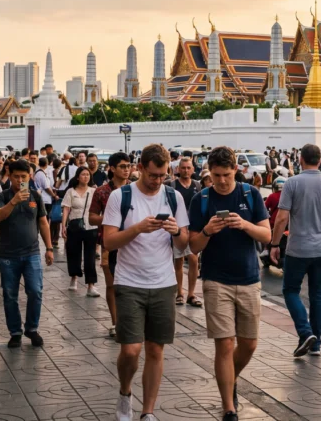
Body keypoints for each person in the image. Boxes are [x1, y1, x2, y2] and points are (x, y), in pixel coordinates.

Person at [102, 144, 189, 421]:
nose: (157, 181)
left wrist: (176, 232)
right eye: (153, 175)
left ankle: (148, 411)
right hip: (129, 282)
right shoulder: (121, 196)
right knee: (130, 350)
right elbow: (108, 241)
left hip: (163, 283)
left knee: (155, 348)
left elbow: (185, 243)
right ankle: (125, 391)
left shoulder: (173, 197)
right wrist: (138, 228)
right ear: (140, 169)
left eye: (163, 175)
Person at [187, 147, 271, 421]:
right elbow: (193, 245)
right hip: (216, 281)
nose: (221, 181)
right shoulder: (201, 200)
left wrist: (244, 225)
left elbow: (267, 235)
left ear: (236, 169)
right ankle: (229, 407)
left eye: (226, 174)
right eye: (215, 175)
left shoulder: (250, 194)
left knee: (249, 344)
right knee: (224, 345)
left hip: (249, 279)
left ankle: (228, 378)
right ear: (209, 173)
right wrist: (209, 230)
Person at [270, 144, 321, 357]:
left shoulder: (292, 183)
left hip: (298, 249)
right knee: (317, 294)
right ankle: (316, 344)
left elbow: (282, 218)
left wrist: (274, 245)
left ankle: (305, 333)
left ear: (300, 160)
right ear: (320, 161)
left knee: (291, 290)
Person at [0, 160, 54, 348]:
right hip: (8, 255)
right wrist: (13, 201)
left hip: (32, 253)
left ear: (30, 176)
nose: (20, 180)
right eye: (16, 176)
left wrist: (50, 248)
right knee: (10, 295)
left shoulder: (36, 196)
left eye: (24, 176)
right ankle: (15, 332)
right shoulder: (2, 196)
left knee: (35, 291)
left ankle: (32, 329)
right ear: (9, 176)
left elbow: (43, 222)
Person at [89, 151, 133, 338]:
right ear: (112, 168)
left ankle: (131, 321)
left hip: (132, 243)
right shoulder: (102, 191)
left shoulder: (135, 189)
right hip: (109, 243)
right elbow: (91, 218)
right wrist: (110, 220)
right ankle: (116, 322)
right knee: (112, 284)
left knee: (130, 285)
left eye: (128, 166)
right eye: (122, 166)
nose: (126, 170)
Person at [63, 166, 99, 296]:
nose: (86, 177)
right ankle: (74, 277)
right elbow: (66, 209)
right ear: (78, 177)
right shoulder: (71, 191)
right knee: (73, 253)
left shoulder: (94, 191)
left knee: (90, 256)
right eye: (83, 174)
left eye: (88, 175)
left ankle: (91, 285)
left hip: (91, 227)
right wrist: (63, 226)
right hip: (74, 226)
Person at [171, 156, 201, 307]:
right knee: (179, 261)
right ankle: (179, 292)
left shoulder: (197, 185)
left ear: (193, 169)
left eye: (189, 168)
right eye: (183, 168)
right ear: (178, 169)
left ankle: (191, 293)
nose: (186, 170)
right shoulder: (172, 186)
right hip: (178, 228)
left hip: (193, 228)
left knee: (194, 259)